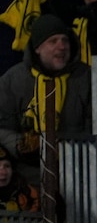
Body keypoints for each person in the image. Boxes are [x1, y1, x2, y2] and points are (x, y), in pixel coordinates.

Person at [0, 14, 90, 171]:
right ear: (37, 48)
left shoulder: (86, 78)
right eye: (53, 41)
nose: (62, 46)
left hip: (78, 173)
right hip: (27, 178)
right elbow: (2, 126)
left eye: (65, 40)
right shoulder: (13, 80)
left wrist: (68, 150)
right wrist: (20, 146)